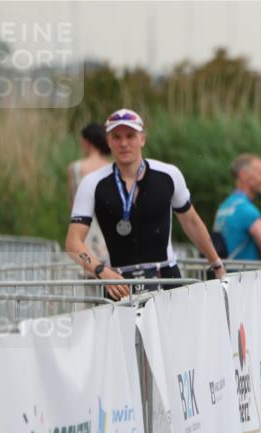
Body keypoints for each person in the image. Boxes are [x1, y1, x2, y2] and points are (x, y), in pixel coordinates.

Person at [65, 108, 225, 300]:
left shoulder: (169, 174)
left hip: (165, 278)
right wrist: (102, 271)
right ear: (108, 142)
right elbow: (73, 243)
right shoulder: (92, 183)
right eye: (116, 137)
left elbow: (191, 221)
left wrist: (216, 264)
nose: (124, 143)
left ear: (142, 139)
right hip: (119, 282)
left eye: (130, 136)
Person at [213, 154, 261, 261]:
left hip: (226, 273)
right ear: (244, 175)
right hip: (243, 274)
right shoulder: (245, 210)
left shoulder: (225, 206)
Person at [67, 123, 112, 262]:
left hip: (83, 227)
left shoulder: (75, 168)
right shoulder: (112, 167)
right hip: (108, 226)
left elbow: (72, 203)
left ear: (87, 142)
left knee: (86, 271)